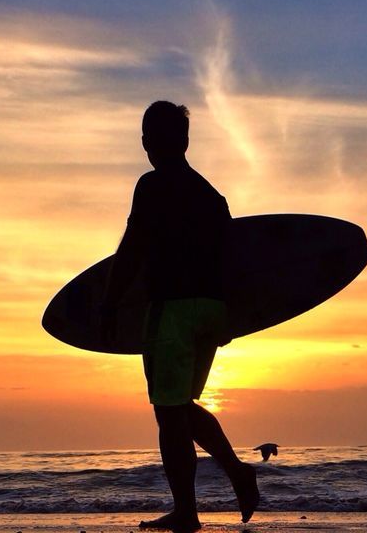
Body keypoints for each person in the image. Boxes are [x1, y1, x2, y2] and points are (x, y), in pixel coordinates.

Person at [103, 101, 259, 533]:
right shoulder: (212, 196)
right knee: (181, 407)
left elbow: (133, 247)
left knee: (168, 412)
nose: (146, 144)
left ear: (150, 143)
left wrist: (109, 301)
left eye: (148, 136)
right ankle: (233, 474)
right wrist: (231, 319)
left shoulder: (152, 185)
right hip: (212, 310)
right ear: (186, 141)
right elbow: (234, 259)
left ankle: (194, 507)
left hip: (171, 309)